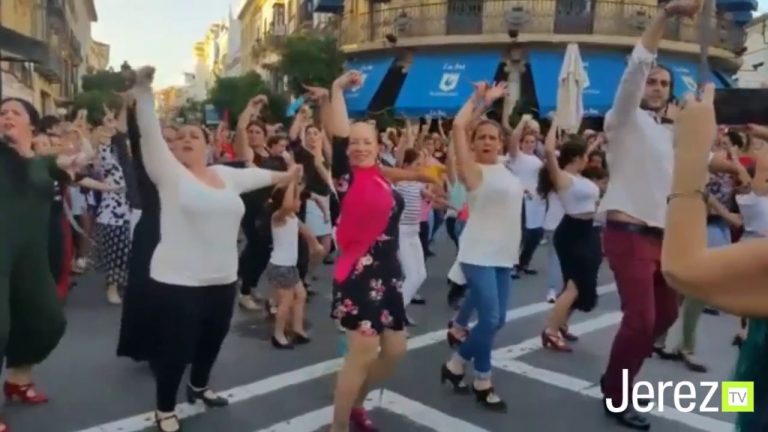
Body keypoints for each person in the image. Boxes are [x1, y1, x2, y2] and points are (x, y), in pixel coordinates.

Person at [126, 67, 300, 432]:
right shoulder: (168, 173)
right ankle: (164, 408)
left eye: (195, 135)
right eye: (181, 137)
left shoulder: (226, 175)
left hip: (222, 280)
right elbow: (148, 134)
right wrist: (143, 91)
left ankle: (200, 386)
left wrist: (290, 173)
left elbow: (264, 176)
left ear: (207, 145)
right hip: (177, 282)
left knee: (212, 340)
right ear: (172, 148)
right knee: (175, 349)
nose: (187, 140)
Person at [595, 1, 742, 428]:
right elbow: (637, 65)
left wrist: (728, 159)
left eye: (664, 83)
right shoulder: (622, 120)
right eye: (652, 82)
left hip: (665, 238)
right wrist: (666, 16)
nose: (656, 86)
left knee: (665, 317)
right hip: (627, 232)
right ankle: (618, 395)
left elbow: (698, 158)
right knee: (640, 320)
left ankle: (616, 379)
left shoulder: (671, 134)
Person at [328, 71, 435, 432]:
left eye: (366, 142)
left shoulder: (376, 173)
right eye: (354, 142)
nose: (359, 147)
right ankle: (340, 426)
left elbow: (389, 174)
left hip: (388, 275)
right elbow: (341, 129)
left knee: (395, 351)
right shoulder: (347, 175)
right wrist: (337, 90)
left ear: (376, 146)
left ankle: (357, 402)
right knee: (359, 356)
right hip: (358, 275)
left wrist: (419, 176)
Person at [661, 86, 768, 432]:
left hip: (748, 260)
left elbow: (681, 267)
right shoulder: (752, 192)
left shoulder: (752, 192)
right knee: (746, 365)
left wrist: (691, 150)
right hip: (755, 318)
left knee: (750, 384)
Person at [0, 97, 85, 432]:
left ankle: (17, 381)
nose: (6, 116)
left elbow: (77, 160)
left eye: (14, 112)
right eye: (1, 112)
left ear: (31, 126)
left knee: (47, 320)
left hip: (31, 256)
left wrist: (79, 138)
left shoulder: (42, 163)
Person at [440, 82, 523, 412]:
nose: (487, 141)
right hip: (477, 253)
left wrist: (495, 110)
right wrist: (478, 100)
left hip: (504, 254)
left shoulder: (506, 168)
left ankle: (464, 368)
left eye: (493, 137)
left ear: (500, 143)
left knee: (496, 320)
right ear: (472, 145)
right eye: (481, 137)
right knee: (489, 318)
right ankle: (473, 374)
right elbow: (459, 126)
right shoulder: (472, 172)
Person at [538, 123, 601, 352]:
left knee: (580, 284)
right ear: (577, 158)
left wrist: (597, 141)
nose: (590, 159)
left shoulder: (580, 177)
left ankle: (562, 322)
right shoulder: (563, 177)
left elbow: (588, 150)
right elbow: (547, 151)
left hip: (588, 231)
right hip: (572, 232)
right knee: (574, 286)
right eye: (586, 156)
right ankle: (550, 331)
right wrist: (556, 122)